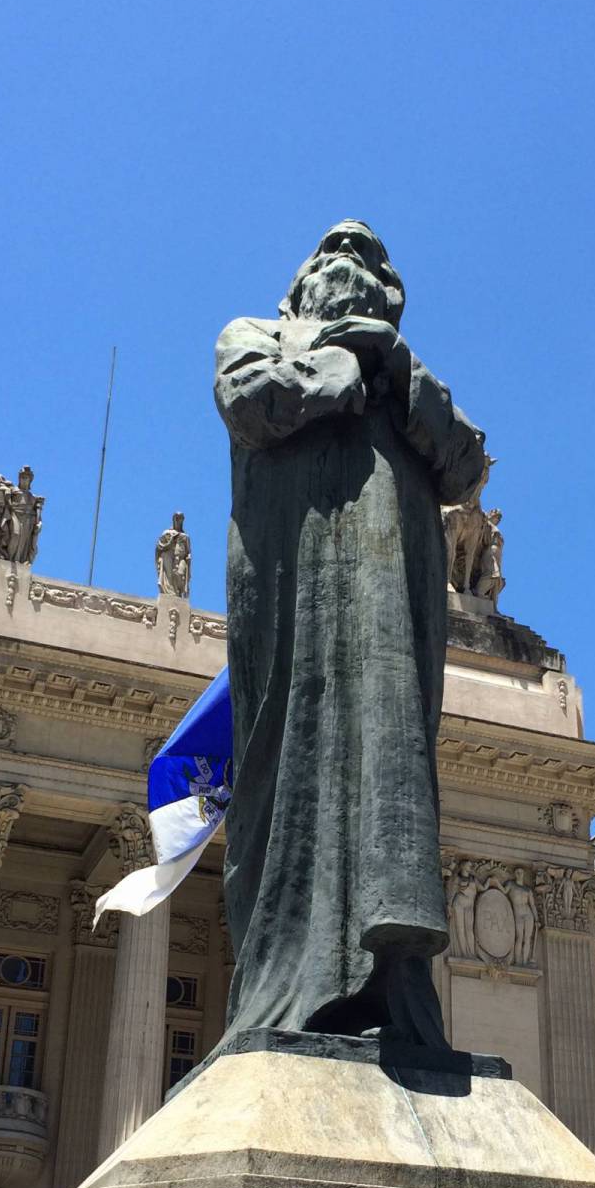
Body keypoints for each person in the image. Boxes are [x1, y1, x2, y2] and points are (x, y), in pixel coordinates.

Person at [213, 221, 485, 1050]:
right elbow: (253, 404)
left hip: (387, 603)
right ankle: (281, 989)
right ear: (300, 283)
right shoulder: (254, 334)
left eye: (367, 258)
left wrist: (395, 364)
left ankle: (391, 984)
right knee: (283, 765)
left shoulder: (409, 377)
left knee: (388, 762)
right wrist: (348, 361)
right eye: (332, 253)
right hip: (291, 586)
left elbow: (466, 464)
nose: (348, 262)